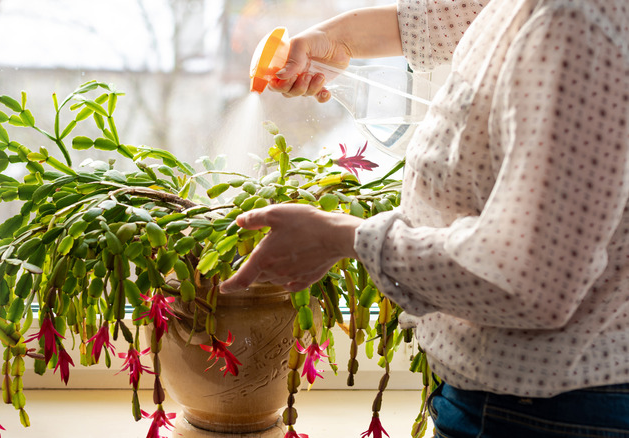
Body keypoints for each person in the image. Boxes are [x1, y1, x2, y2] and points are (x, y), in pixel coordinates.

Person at [220, 0, 629, 436]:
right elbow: (458, 17)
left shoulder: (577, 23)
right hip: (513, 401)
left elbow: (530, 278)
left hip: (548, 414)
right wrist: (336, 40)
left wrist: (343, 237)